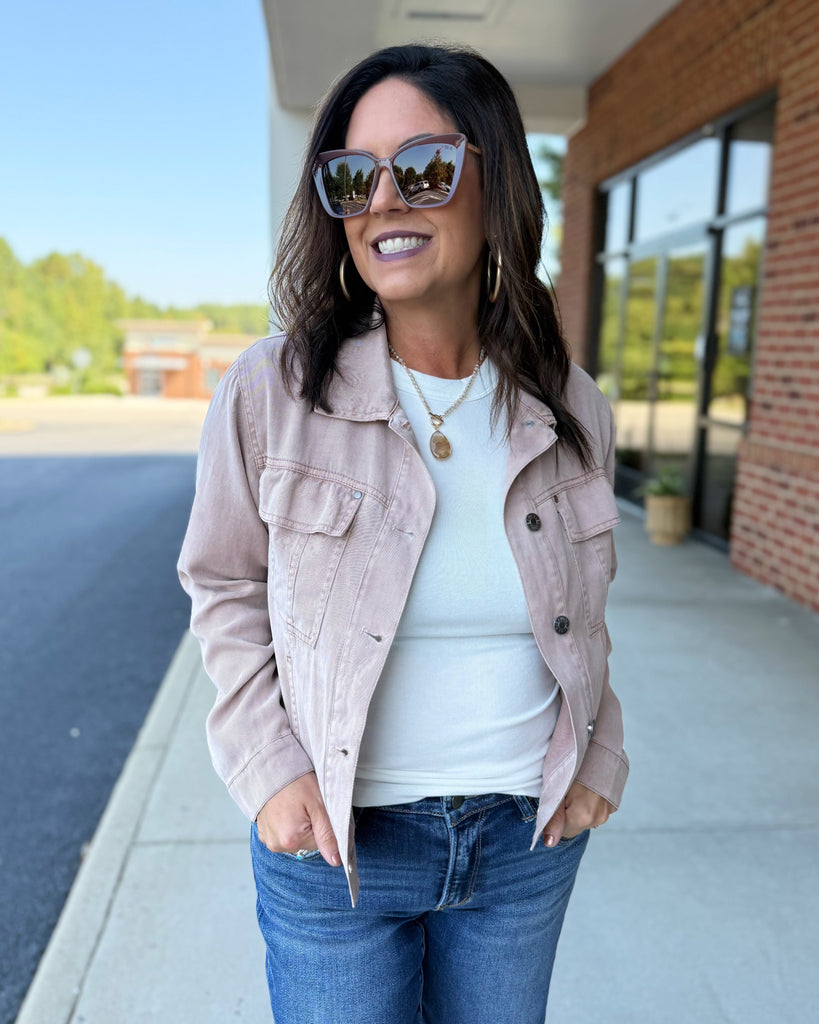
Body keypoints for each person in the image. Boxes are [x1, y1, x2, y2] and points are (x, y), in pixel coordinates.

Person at [178, 41, 627, 1024]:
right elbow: (223, 586)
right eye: (353, 177)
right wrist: (266, 767)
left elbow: (585, 613)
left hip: (525, 840)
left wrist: (601, 757)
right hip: (338, 847)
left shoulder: (570, 405)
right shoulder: (271, 392)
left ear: (496, 182)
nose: (383, 200)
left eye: (423, 168)